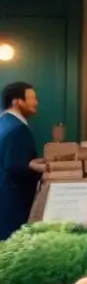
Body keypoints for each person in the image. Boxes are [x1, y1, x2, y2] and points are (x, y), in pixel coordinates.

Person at [0, 82, 43, 241]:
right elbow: (13, 165)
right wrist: (34, 166)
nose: (36, 102)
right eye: (32, 98)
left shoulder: (4, 121)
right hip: (14, 201)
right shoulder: (17, 128)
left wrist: (31, 161)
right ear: (16, 101)